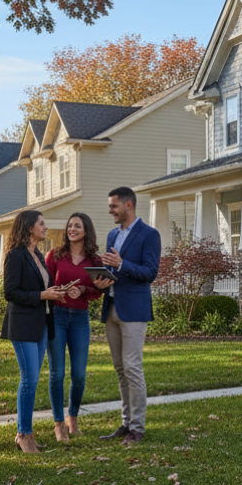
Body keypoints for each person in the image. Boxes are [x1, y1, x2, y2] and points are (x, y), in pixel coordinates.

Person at [98, 187, 160, 445]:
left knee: (133, 368)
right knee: (121, 369)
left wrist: (122, 264)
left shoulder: (149, 234)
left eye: (114, 206)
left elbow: (150, 272)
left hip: (134, 311)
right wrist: (101, 276)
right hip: (111, 306)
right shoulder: (113, 234)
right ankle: (126, 423)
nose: (110, 210)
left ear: (128, 205)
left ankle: (138, 428)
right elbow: (110, 267)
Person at [0, 210, 65, 454]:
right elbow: (10, 292)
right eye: (41, 223)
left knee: (32, 381)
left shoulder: (37, 254)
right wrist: (42, 295)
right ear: (29, 228)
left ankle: (26, 434)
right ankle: (24, 435)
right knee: (29, 381)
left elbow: (41, 288)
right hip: (23, 325)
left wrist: (55, 291)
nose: (45, 227)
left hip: (41, 324)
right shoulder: (15, 256)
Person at [45, 213, 110, 441]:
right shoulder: (55, 255)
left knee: (79, 375)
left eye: (77, 226)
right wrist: (60, 291)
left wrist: (83, 290)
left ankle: (73, 419)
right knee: (57, 373)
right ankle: (59, 424)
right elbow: (45, 283)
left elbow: (99, 290)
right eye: (70, 225)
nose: (72, 229)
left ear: (86, 230)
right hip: (57, 316)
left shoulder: (94, 261)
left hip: (80, 318)